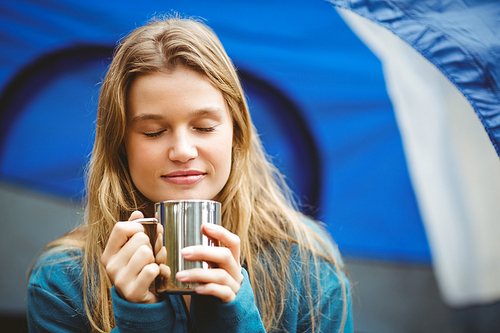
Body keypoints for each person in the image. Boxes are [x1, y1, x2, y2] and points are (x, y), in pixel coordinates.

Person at [27, 16, 353, 333]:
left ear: (237, 133)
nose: (182, 151)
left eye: (204, 127)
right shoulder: (61, 281)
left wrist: (235, 320)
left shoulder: (307, 260)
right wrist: (140, 321)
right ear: (120, 144)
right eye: (153, 132)